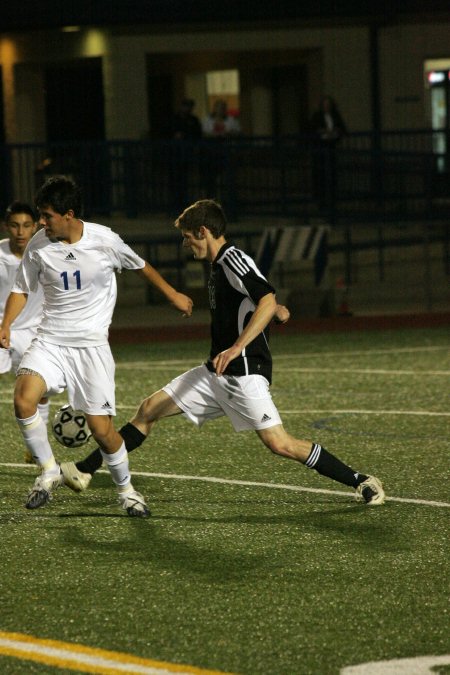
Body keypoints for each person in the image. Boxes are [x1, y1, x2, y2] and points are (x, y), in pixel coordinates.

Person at [61, 199, 385, 509]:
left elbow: (266, 298)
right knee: (147, 410)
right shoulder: (219, 266)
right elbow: (262, 298)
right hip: (216, 372)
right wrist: (275, 309)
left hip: (243, 372)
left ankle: (361, 480)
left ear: (203, 231)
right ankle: (84, 470)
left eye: (188, 238)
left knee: (280, 444)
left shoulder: (232, 259)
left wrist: (241, 341)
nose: (187, 245)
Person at [0, 175, 193, 517]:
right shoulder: (39, 245)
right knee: (23, 398)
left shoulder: (105, 240)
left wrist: (173, 295)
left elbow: (141, 266)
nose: (41, 223)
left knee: (103, 432)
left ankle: (127, 491)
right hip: (50, 340)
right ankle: (47, 471)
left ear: (69, 214)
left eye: (47, 216)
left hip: (91, 348)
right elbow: (21, 289)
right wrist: (6, 325)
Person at [0, 202, 50, 441]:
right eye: (15, 225)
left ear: (35, 227)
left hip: (32, 330)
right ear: (5, 227)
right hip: (1, 327)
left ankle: (38, 441)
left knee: (39, 388)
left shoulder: (44, 254)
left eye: (26, 225)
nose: (20, 232)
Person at [309, 95, 347, 211]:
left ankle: (332, 200)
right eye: (325, 105)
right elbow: (313, 129)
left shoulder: (335, 116)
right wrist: (324, 132)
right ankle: (322, 201)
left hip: (331, 147)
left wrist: (335, 133)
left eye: (328, 105)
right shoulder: (317, 116)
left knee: (332, 174)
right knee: (321, 175)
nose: (327, 107)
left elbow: (342, 128)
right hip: (320, 148)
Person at [170, 98, 203, 213]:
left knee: (188, 181)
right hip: (176, 155)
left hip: (188, 154)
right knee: (176, 180)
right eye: (185, 106)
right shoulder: (175, 119)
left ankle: (186, 204)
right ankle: (175, 204)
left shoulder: (193, 120)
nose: (187, 109)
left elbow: (197, 134)